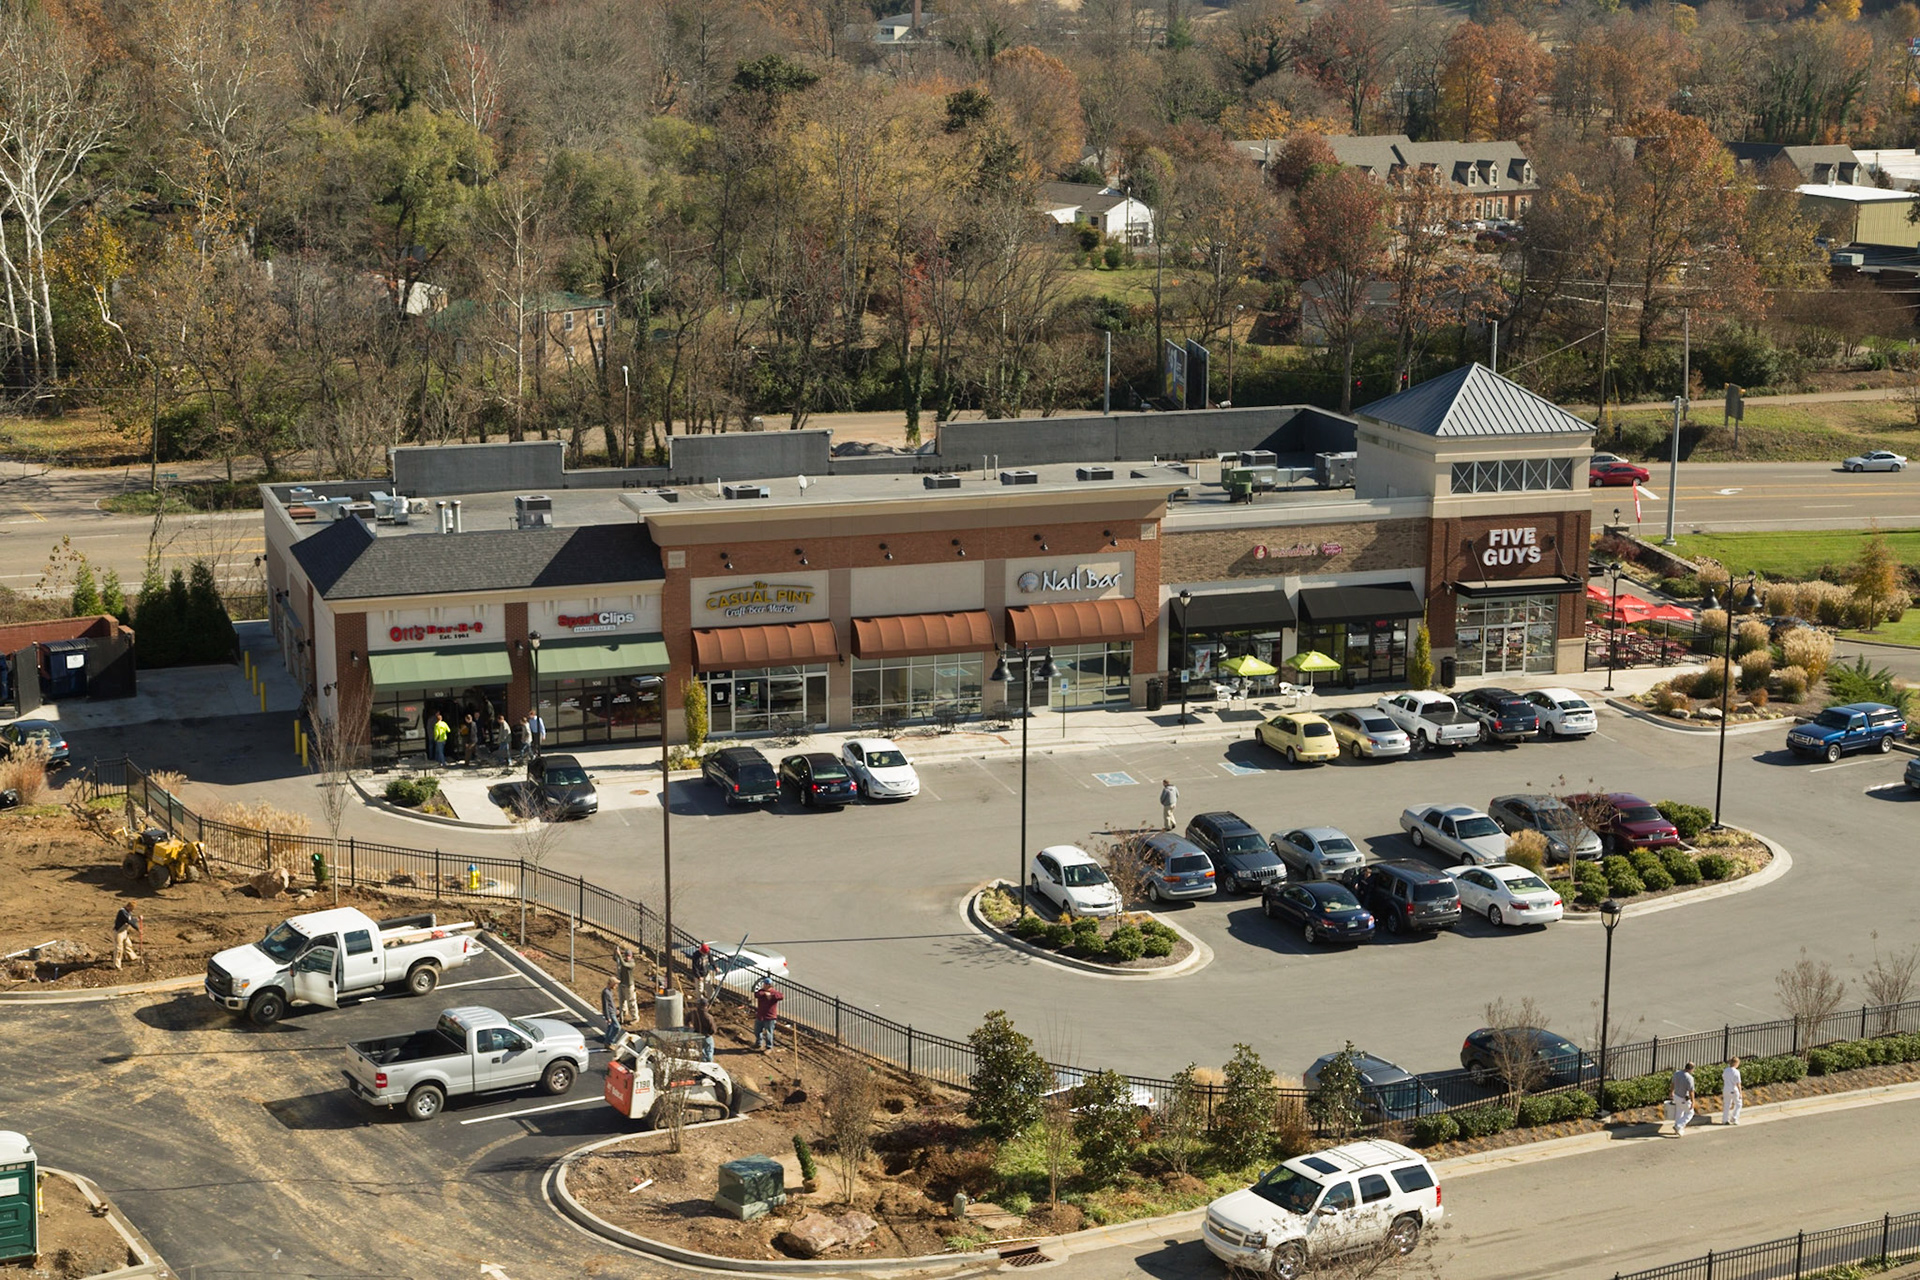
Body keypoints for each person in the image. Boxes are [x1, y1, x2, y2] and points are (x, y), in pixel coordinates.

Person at [753, 978, 783, 1051]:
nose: (764, 985)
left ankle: (768, 1047)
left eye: (766, 984)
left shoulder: (774, 992)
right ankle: (758, 1043)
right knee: (757, 1030)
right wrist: (765, 993)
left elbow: (780, 996)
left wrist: (771, 995)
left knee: (769, 1033)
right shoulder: (761, 992)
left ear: (769, 985)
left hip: (770, 1017)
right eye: (764, 984)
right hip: (760, 1015)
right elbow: (757, 994)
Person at [112, 900, 142, 969]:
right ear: (128, 906)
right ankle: (116, 965)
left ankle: (132, 957)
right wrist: (138, 929)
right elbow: (129, 921)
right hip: (118, 932)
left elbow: (131, 919)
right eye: (131, 909)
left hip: (124, 932)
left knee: (128, 945)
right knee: (119, 949)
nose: (132, 910)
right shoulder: (122, 912)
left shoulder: (128, 912)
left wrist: (137, 919)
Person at [688, 997, 718, 1062]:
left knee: (701, 1050)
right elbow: (713, 1030)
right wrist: (709, 1034)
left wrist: (689, 1026)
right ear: (706, 1006)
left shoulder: (693, 1013)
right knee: (709, 1050)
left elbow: (686, 1019)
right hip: (707, 1036)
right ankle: (709, 1062)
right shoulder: (709, 1017)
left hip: (697, 1035)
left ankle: (703, 1061)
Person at [1669, 1062, 1696, 1137]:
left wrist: (1671, 1092)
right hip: (1684, 1098)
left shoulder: (1677, 1073)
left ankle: (1678, 1130)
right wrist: (1693, 1101)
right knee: (1690, 1112)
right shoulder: (1689, 1078)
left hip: (1676, 1096)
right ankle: (1679, 1125)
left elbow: (1673, 1083)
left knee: (1679, 1112)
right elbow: (1691, 1091)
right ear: (1691, 1069)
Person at [615, 946, 639, 1024]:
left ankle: (635, 1017)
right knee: (622, 1000)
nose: (627, 957)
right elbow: (615, 959)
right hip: (622, 984)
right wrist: (615, 952)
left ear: (631, 956)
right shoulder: (623, 960)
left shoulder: (632, 963)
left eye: (629, 956)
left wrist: (619, 955)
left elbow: (624, 964)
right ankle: (624, 1012)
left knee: (631, 1002)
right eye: (626, 956)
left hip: (629, 986)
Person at [600, 977, 623, 1048]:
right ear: (612, 984)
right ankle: (610, 1042)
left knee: (610, 1028)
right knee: (617, 1027)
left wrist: (616, 1010)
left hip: (612, 1012)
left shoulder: (609, 991)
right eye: (615, 984)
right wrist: (608, 1017)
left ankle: (607, 1043)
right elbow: (605, 1005)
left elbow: (611, 1003)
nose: (616, 986)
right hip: (610, 1013)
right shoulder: (606, 992)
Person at [1722, 1056, 1743, 1126]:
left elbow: (1723, 1077)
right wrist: (1740, 1093)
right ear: (1736, 1063)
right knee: (1738, 1103)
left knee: (1727, 1104)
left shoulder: (1726, 1070)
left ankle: (1725, 1120)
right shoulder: (1736, 1072)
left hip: (1726, 1089)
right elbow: (1738, 1083)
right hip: (1733, 1089)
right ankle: (1734, 1118)